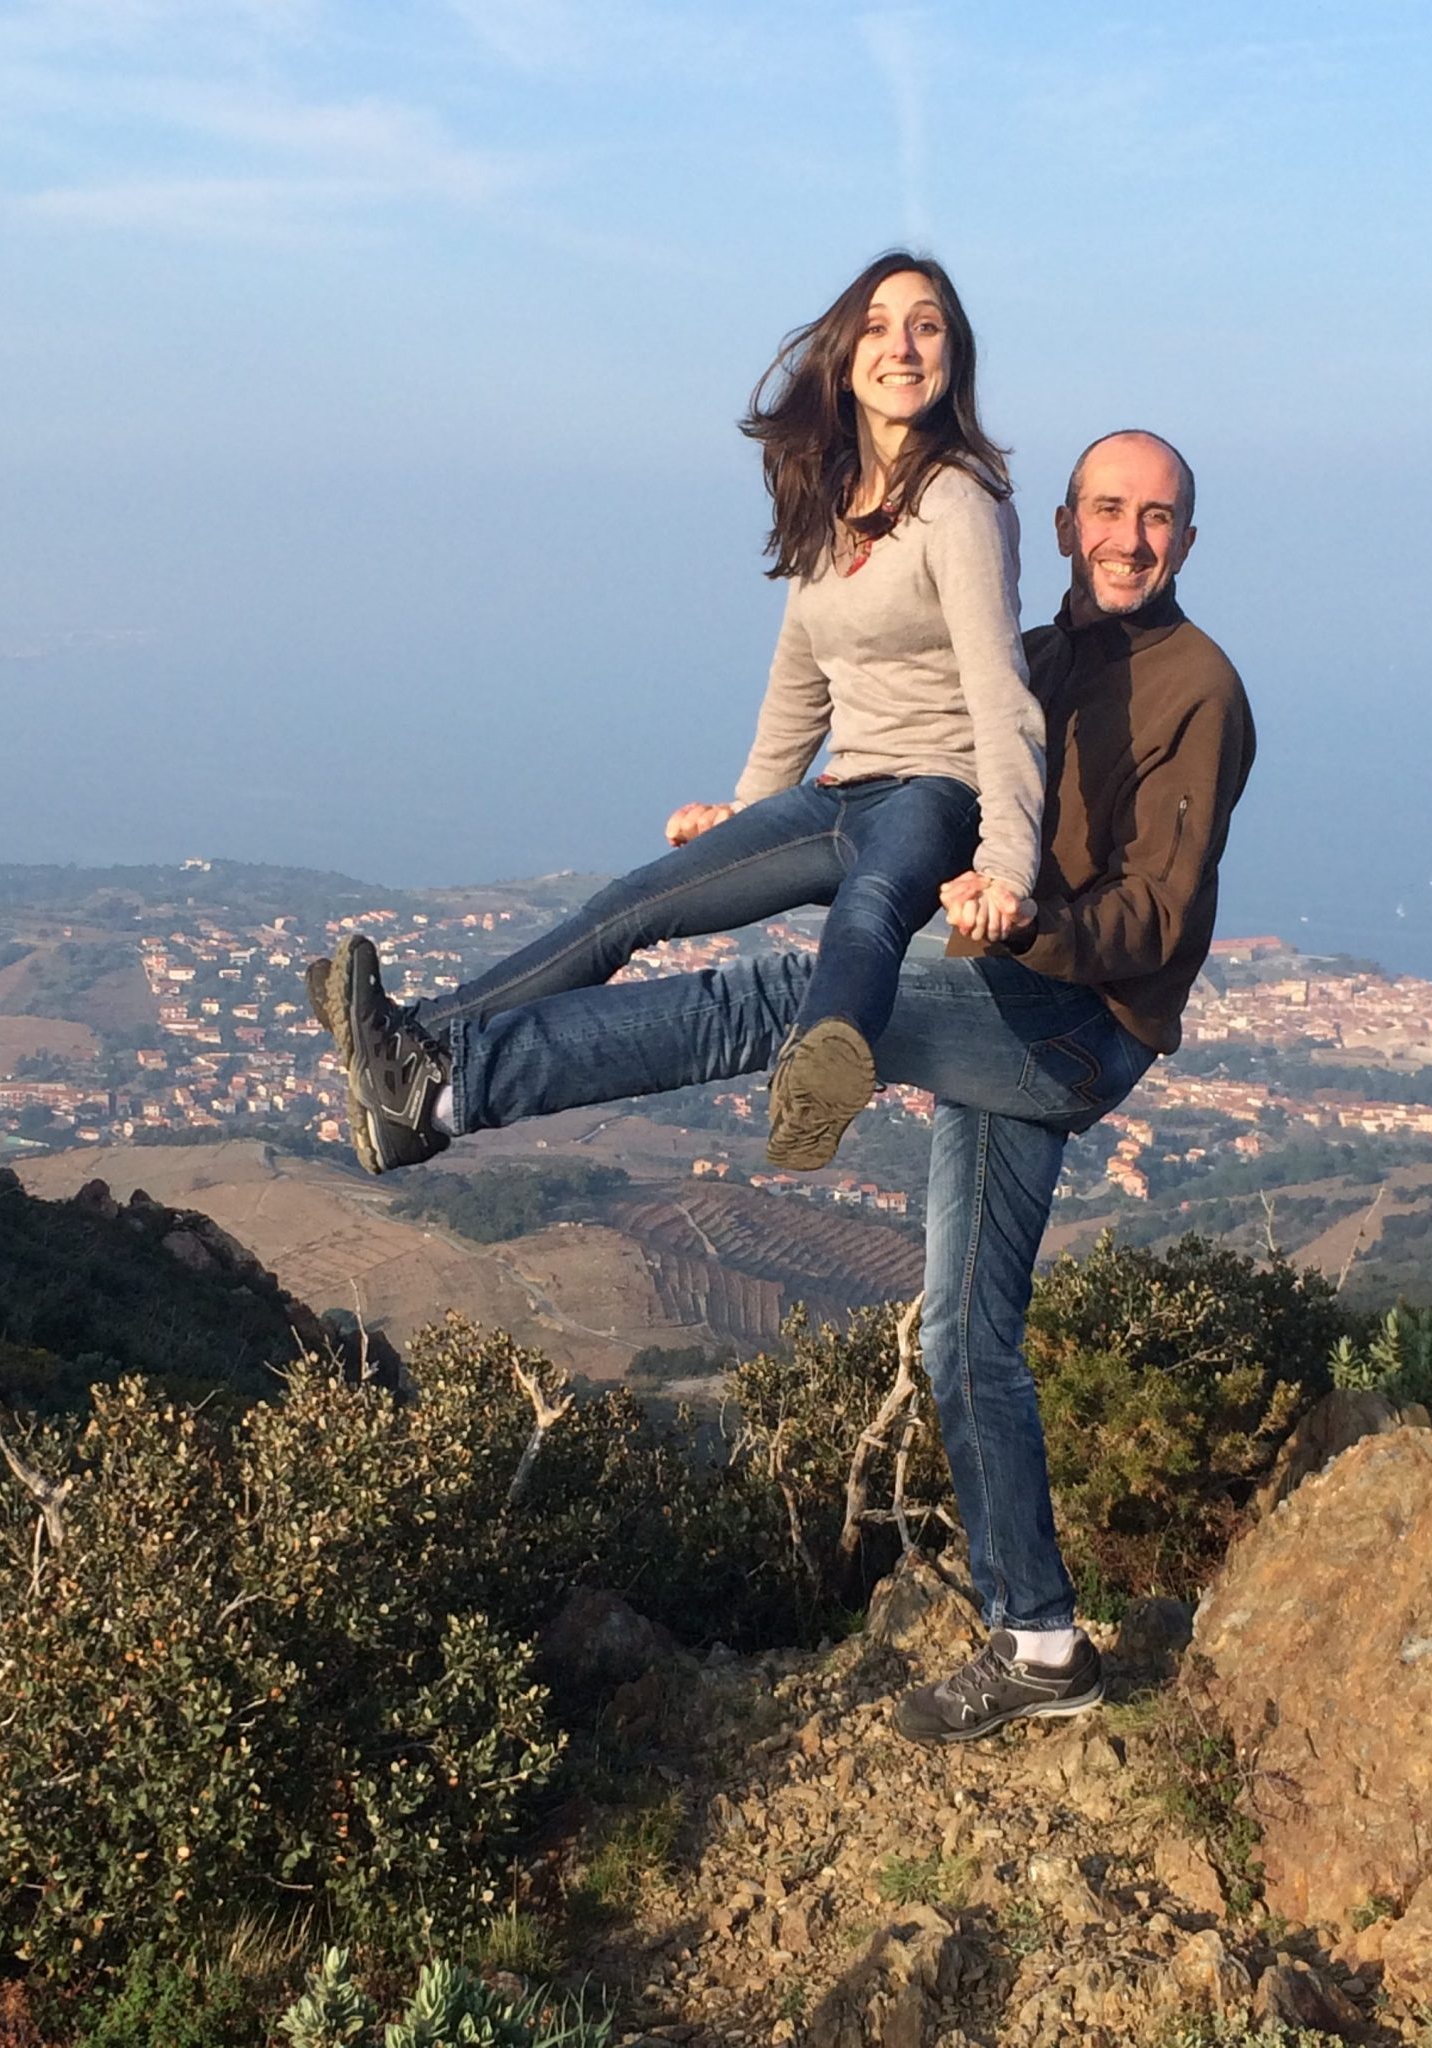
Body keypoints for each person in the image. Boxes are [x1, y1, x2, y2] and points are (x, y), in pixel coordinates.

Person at [310, 428, 1254, 1742]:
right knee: (960, 1337)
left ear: (1189, 541)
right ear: (1063, 526)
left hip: (1065, 1029)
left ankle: (451, 1090)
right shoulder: (1037, 664)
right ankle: (1044, 1649)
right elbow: (918, 781)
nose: (1130, 536)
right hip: (1007, 1003)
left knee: (772, 1004)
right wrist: (766, 819)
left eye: (1158, 517)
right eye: (1108, 509)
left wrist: (1018, 920)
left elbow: (1162, 916)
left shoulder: (1198, 686)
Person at [324, 252, 1044, 1175]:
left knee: (868, 914)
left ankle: (818, 1078)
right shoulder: (832, 503)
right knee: (630, 906)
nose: (902, 346)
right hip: (836, 794)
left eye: (927, 325)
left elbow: (1002, 695)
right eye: (877, 325)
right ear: (844, 356)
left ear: (954, 357)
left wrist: (1006, 865)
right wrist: (746, 809)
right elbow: (800, 680)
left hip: (934, 794)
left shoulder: (961, 501)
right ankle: (415, 1044)